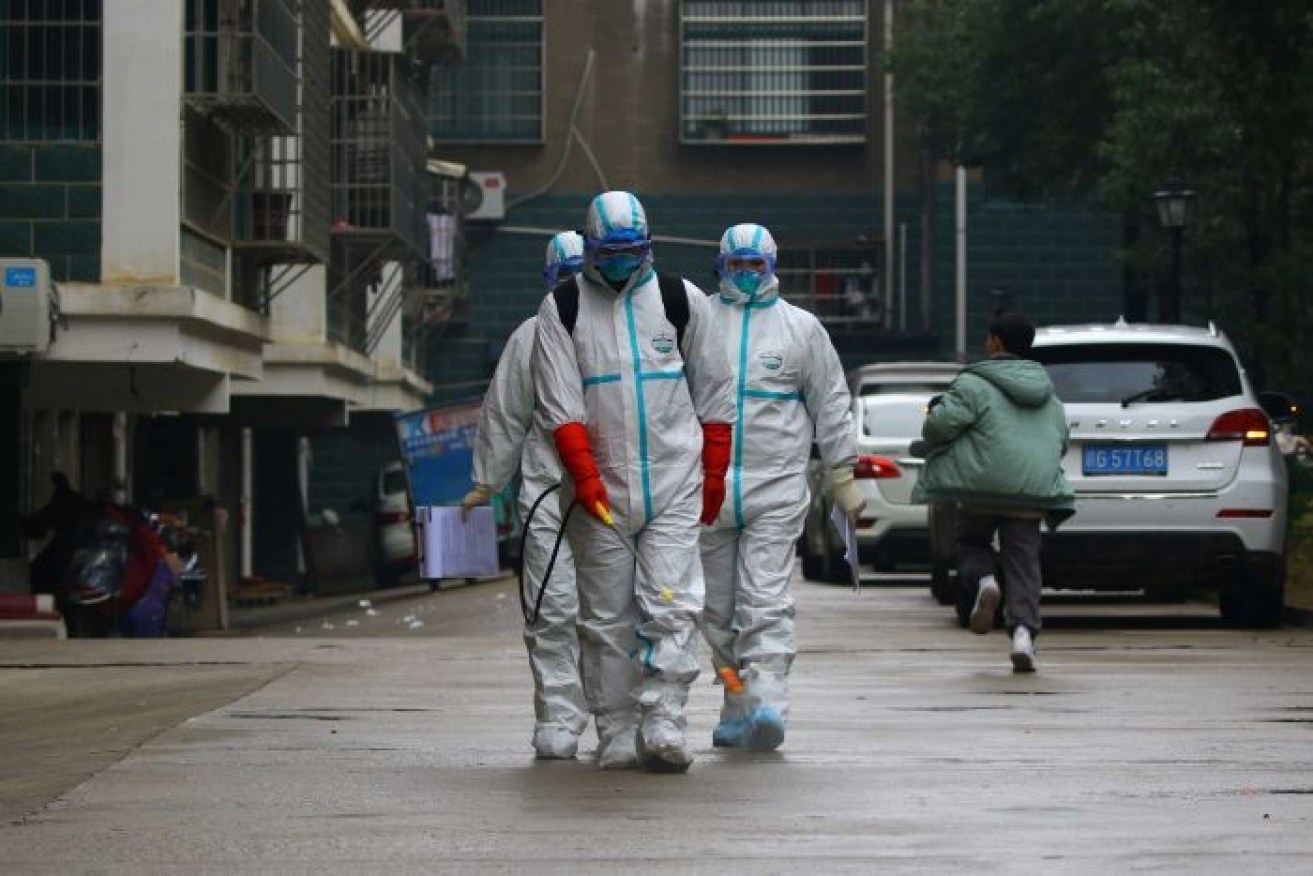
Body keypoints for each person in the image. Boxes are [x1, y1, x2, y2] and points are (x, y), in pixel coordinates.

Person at [532, 191, 736, 772]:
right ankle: (617, 727)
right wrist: (585, 476)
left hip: (674, 480)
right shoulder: (564, 308)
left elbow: (715, 394)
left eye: (633, 251)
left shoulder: (679, 300)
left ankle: (665, 718)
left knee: (671, 604)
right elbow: (560, 404)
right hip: (600, 490)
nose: (622, 261)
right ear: (590, 247)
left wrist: (714, 472)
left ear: (647, 247)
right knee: (605, 616)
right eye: (610, 252)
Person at [698, 223, 864, 752]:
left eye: (755, 266)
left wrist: (841, 474)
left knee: (764, 600)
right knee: (715, 615)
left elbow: (831, 402)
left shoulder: (801, 329)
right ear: (720, 266)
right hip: (708, 490)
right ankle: (734, 701)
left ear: (772, 266)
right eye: (735, 266)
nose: (745, 276)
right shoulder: (699, 322)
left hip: (775, 488)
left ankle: (768, 702)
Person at [461, 231, 589, 760]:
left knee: (622, 611)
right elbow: (506, 413)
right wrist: (485, 482)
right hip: (549, 493)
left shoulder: (633, 332)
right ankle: (559, 714)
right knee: (552, 606)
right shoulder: (530, 339)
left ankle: (623, 715)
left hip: (622, 496)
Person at [912, 311, 1074, 672]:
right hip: (1031, 492)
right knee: (1024, 564)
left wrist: (936, 417)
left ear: (996, 342)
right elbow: (1060, 442)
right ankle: (1023, 636)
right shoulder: (1049, 395)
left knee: (972, 543)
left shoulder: (974, 383)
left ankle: (986, 582)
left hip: (980, 488)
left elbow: (939, 428)